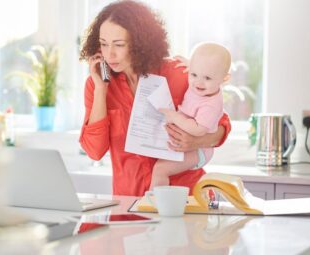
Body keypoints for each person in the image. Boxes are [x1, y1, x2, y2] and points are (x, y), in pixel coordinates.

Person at [79, 0, 231, 196]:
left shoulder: (178, 74)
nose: (110, 54)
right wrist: (101, 90)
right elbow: (94, 151)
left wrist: (198, 141)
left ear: (139, 42)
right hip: (130, 202)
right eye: (103, 44)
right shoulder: (96, 84)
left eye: (119, 44)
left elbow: (221, 123)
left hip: (185, 196)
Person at [149, 42, 231, 190]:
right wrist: (191, 65)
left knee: (160, 170)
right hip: (191, 145)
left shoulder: (211, 104)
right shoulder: (204, 85)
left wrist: (174, 117)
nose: (198, 82)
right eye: (193, 74)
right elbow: (202, 72)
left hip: (198, 152)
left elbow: (198, 130)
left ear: (224, 79)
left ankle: (155, 203)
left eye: (207, 78)